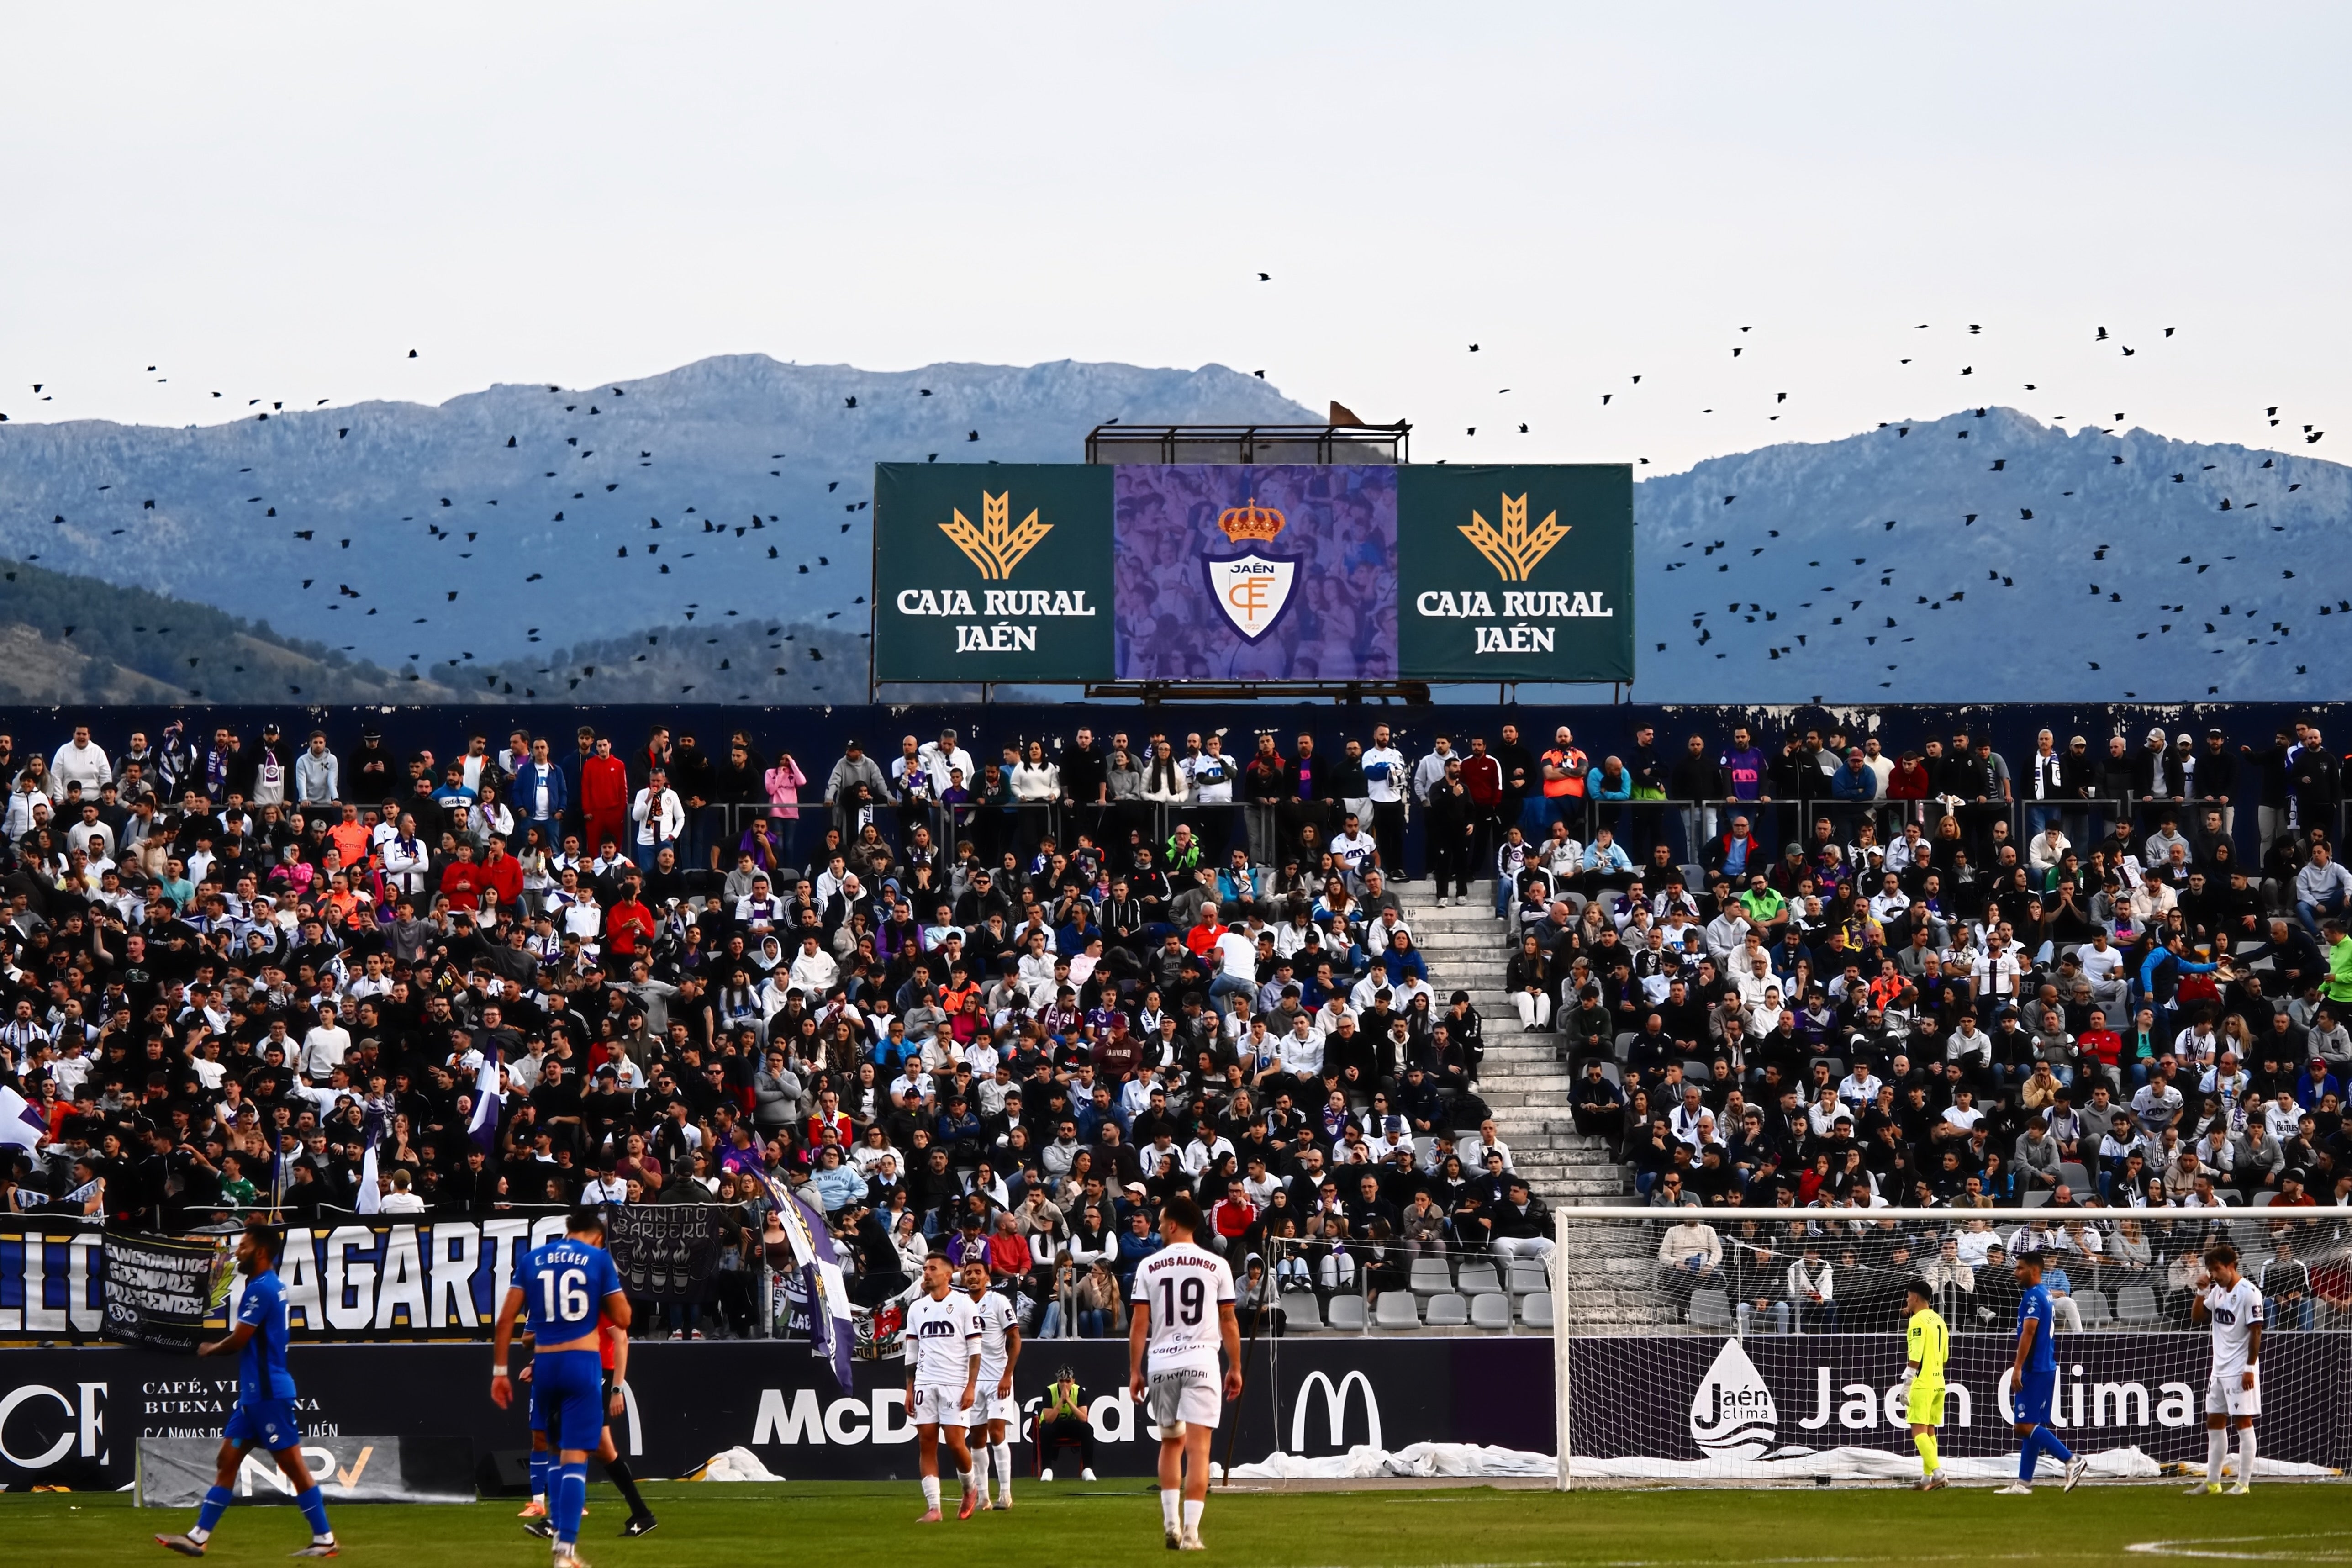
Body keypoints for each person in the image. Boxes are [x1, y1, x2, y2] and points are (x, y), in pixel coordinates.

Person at [153, 1221, 340, 1559]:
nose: (238, 1251)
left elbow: (241, 1338)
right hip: (254, 1396)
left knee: (294, 1466)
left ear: (262, 1251)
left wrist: (210, 1348)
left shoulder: (262, 1289)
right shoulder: (267, 1284)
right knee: (227, 1459)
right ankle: (198, 1537)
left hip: (268, 1393)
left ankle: (325, 1539)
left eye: (244, 1245)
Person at [491, 1207, 628, 1568]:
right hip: (582, 1364)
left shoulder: (532, 1259)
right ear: (597, 1235)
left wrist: (500, 1372)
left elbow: (505, 1319)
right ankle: (565, 1550)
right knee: (576, 1456)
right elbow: (624, 1318)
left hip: (545, 1365)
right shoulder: (598, 1259)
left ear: (568, 1229)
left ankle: (554, 1528)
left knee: (551, 1446)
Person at [1128, 1192, 1241, 1552]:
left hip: (1162, 1361)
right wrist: (1235, 1366)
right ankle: (1191, 1532)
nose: (1159, 1227)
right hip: (1203, 1362)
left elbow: (1139, 1324)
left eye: (1161, 1221)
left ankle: (1170, 1522)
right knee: (1199, 1449)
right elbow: (1228, 1320)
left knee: (1171, 1443)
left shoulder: (1149, 1266)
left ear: (1172, 1224)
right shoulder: (1217, 1265)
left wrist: (1135, 1370)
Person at [519, 1310, 657, 1541]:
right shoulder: (577, 1297)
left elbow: (621, 1339)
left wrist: (616, 1389)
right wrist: (535, 1363)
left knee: (567, 1439)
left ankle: (557, 1522)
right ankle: (642, 1515)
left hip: (598, 1374)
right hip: (583, 1372)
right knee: (605, 1451)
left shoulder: (599, 1299)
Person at [1996, 1251, 2087, 1495]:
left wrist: (2017, 1368)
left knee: (2023, 1426)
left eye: (2020, 1268)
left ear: (2034, 1270)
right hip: (2046, 1366)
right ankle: (2024, 1483)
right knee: (2030, 1425)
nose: (2016, 1273)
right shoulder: (2045, 1293)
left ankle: (2071, 1460)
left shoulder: (2034, 1297)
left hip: (2035, 1369)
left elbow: (2029, 1333)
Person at [904, 1252, 982, 1522]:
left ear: (948, 1275)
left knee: (955, 1443)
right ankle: (935, 1508)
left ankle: (970, 1488)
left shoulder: (963, 1304)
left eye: (932, 1269)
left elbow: (975, 1350)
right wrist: (909, 1389)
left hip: (955, 1383)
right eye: (925, 1268)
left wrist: (971, 1387)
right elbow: (911, 1352)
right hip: (925, 1382)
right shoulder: (917, 1308)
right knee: (926, 1443)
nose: (926, 1273)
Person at [2186, 1241, 2263, 1496]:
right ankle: (2213, 1482)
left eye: (2217, 1269)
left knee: (2243, 1422)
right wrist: (2200, 1292)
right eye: (2211, 1270)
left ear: (2231, 1266)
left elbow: (2256, 1332)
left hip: (2240, 1368)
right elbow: (2198, 1319)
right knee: (2214, 1421)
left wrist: (2250, 1368)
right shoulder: (2217, 1292)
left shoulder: (2249, 1292)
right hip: (2218, 1369)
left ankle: (2243, 1484)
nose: (2214, 1275)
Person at [960, 1259, 1024, 1511]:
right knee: (976, 1437)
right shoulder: (960, 1305)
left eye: (978, 1272)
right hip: (972, 1382)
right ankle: (984, 1498)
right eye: (969, 1273)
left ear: (988, 1277)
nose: (973, 1277)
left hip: (998, 1378)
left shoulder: (998, 1302)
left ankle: (1006, 1494)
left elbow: (1015, 1339)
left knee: (996, 1432)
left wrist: (1008, 1374)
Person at [1900, 1278, 1949, 1491]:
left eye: (1909, 1296)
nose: (1907, 1300)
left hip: (1923, 1382)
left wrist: (1907, 1383)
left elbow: (1916, 1354)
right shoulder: (1939, 1320)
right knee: (1930, 1432)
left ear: (1916, 1297)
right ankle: (1926, 1479)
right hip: (1940, 1382)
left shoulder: (1918, 1320)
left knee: (1918, 1431)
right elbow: (1946, 1355)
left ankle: (1939, 1475)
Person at [1035, 1366, 1098, 1482]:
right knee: (1046, 1429)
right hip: (1054, 1424)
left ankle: (1088, 1469)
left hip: (1071, 1424)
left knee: (1087, 1429)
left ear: (1073, 1381)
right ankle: (1047, 1469)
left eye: (1068, 1381)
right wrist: (1061, 1401)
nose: (1065, 1385)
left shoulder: (1079, 1392)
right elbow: (1049, 1420)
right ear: (1057, 1381)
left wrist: (1069, 1401)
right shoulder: (1049, 1391)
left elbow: (1084, 1418)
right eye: (1061, 1381)